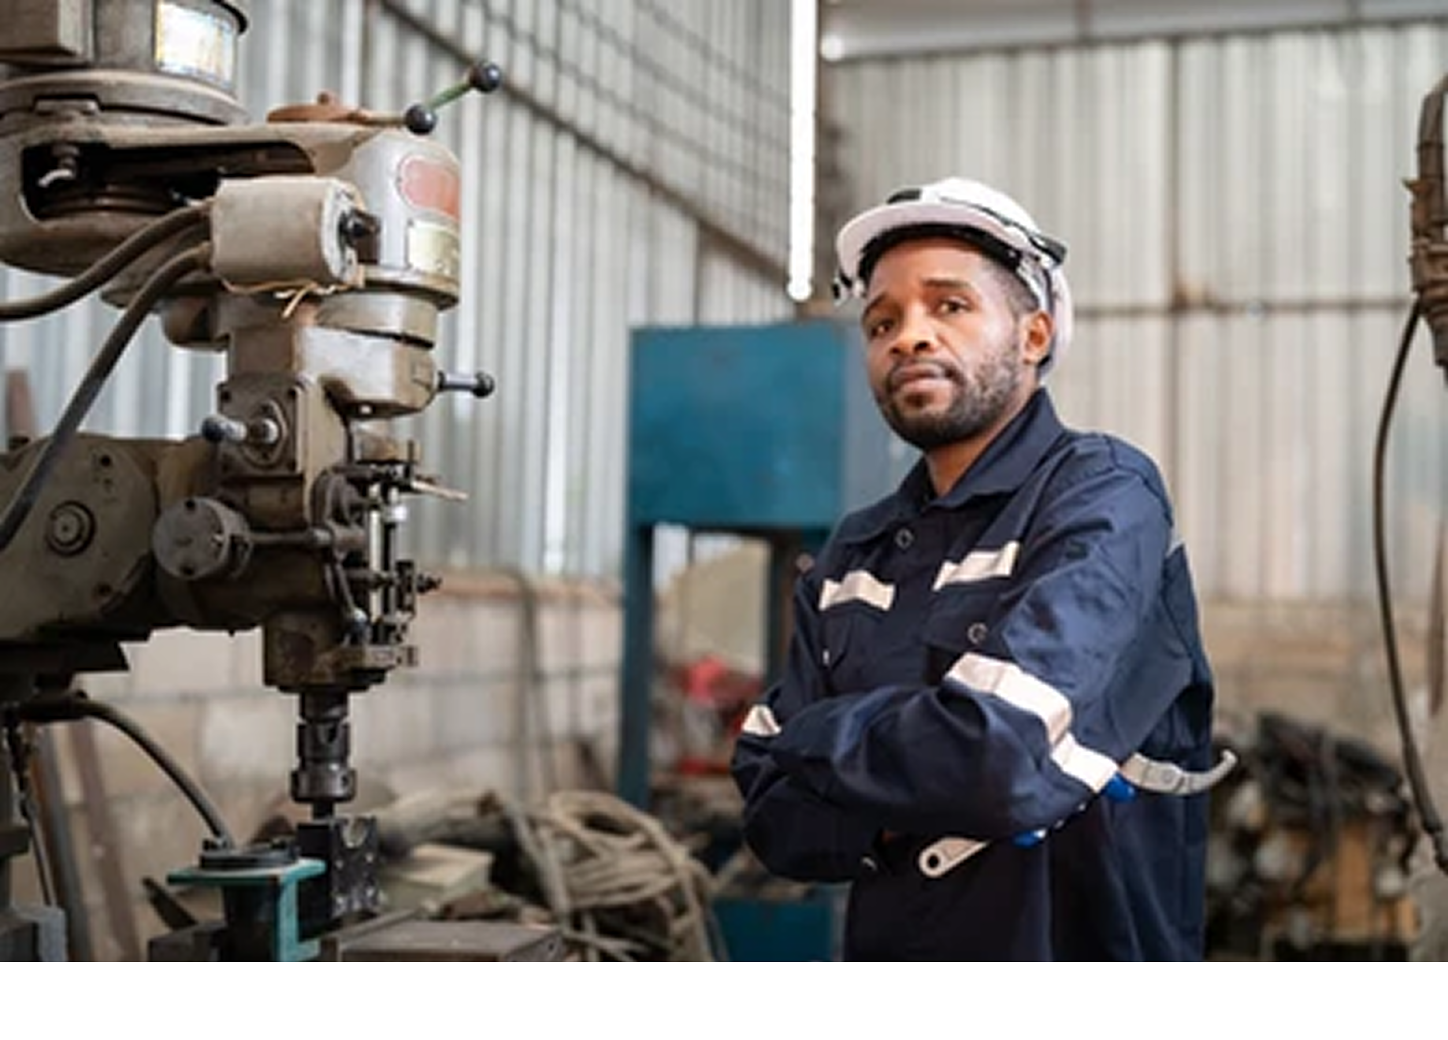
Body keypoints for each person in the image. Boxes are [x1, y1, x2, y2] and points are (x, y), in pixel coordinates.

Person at [729, 177, 1228, 961]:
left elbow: (998, 756)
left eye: (949, 306)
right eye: (882, 321)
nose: (909, 337)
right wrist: (916, 778)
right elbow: (767, 800)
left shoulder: (1103, 496)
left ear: (1033, 336)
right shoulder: (855, 551)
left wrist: (820, 738)